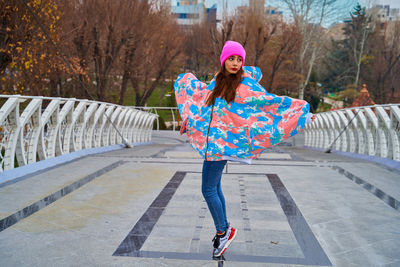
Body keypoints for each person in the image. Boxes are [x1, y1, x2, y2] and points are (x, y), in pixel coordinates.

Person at [174, 41, 314, 257]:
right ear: (224, 60)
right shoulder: (217, 82)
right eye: (232, 58)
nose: (236, 63)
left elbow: (267, 102)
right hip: (214, 144)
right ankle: (224, 229)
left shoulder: (245, 85)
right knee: (215, 188)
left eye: (239, 59)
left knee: (208, 189)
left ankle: (224, 232)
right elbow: (204, 106)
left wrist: (297, 111)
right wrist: (190, 120)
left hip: (222, 145)